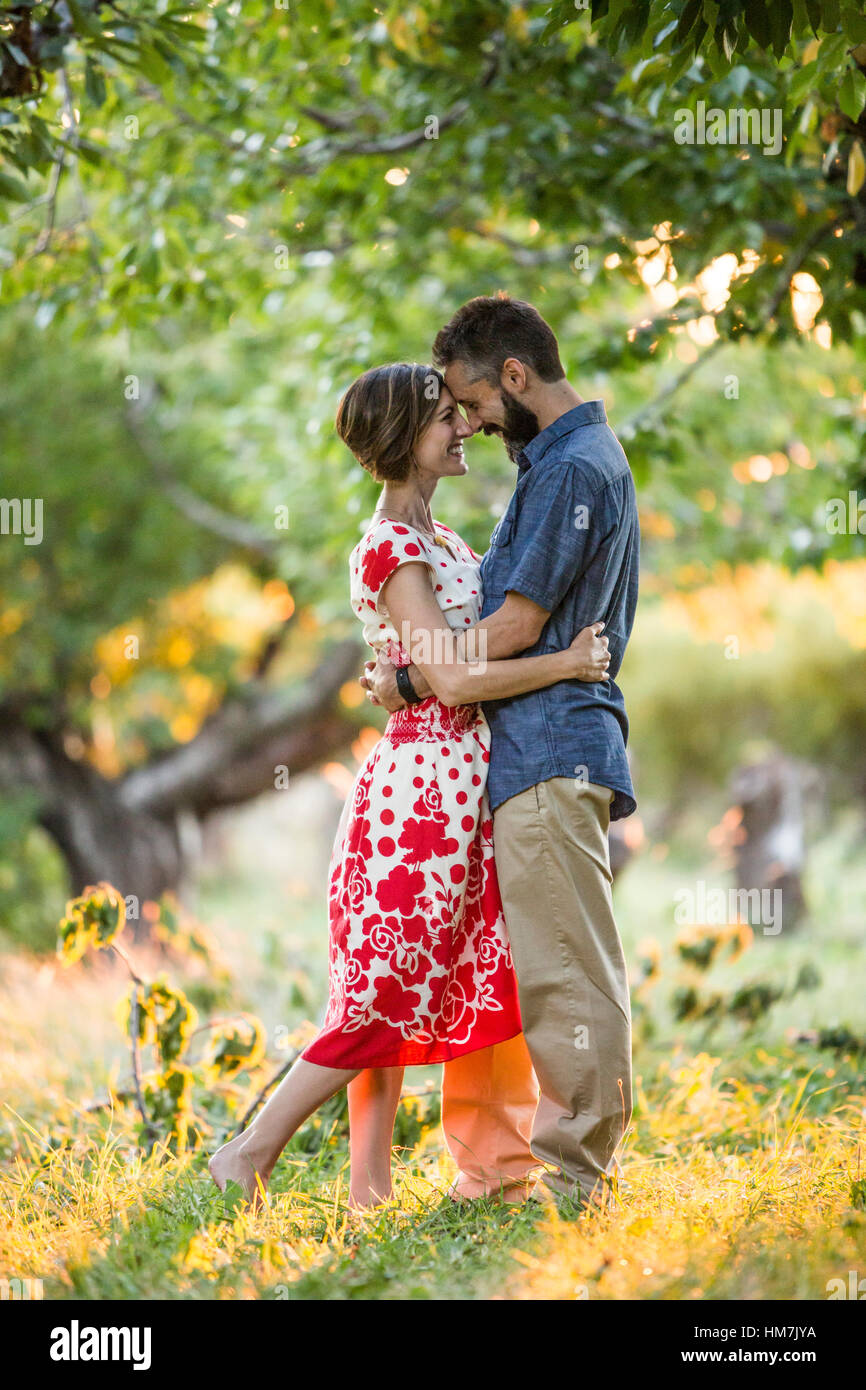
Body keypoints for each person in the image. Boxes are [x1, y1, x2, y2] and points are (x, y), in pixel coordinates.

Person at [208, 360, 610, 1211]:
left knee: (441, 979)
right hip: (421, 793)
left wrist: (408, 673)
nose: (464, 426)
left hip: (463, 785)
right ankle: (249, 1150)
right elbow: (456, 680)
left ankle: (370, 1191)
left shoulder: (446, 543)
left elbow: (437, 662)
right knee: (386, 989)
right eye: (444, 418)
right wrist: (564, 662)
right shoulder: (390, 545)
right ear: (403, 439)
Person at [363, 296, 640, 1214]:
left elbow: (518, 626)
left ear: (515, 377)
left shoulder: (570, 471)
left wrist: (413, 679)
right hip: (531, 753)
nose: (471, 421)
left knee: (569, 972)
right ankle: (527, 1167)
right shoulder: (554, 463)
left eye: (473, 401)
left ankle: (573, 1176)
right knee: (552, 969)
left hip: (555, 745)